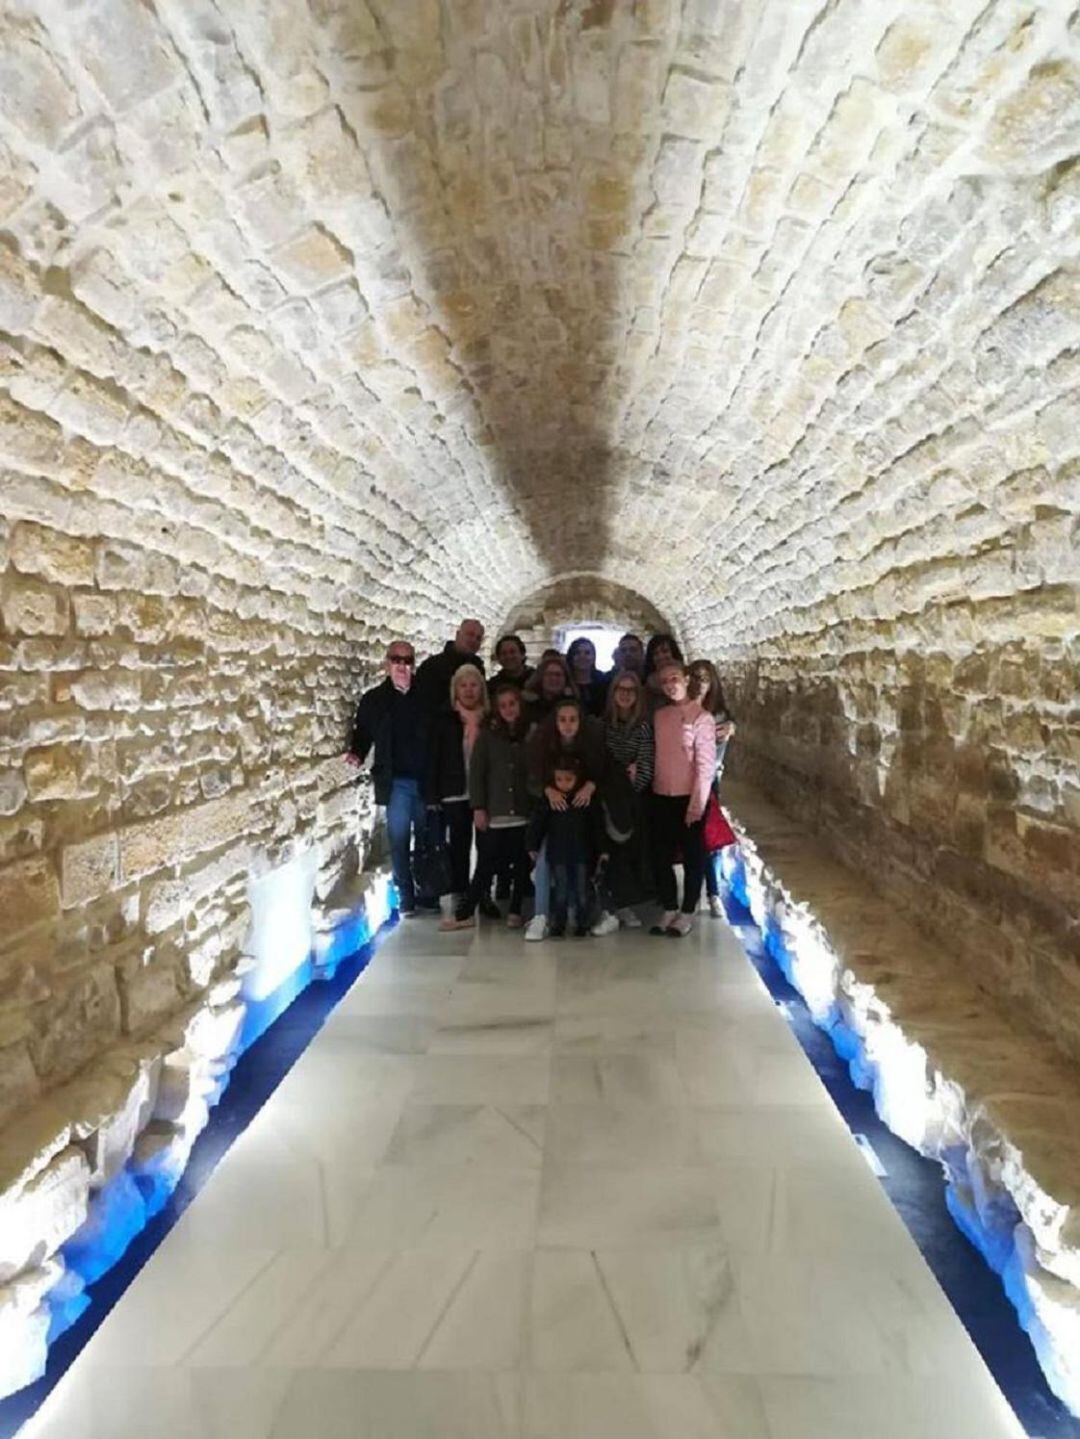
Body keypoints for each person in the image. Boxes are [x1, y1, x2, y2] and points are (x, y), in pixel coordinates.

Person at [346, 640, 430, 917]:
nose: (402, 666)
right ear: (387, 663)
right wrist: (357, 753)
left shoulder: (428, 694)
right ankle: (406, 896)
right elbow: (363, 732)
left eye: (407, 660)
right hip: (396, 782)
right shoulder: (374, 700)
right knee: (399, 839)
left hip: (426, 778)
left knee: (428, 838)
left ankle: (427, 891)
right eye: (397, 660)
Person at [442, 684, 532, 930]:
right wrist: (479, 807)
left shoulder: (530, 735)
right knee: (487, 864)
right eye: (503, 706)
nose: (508, 710)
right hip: (497, 811)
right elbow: (477, 775)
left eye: (512, 704)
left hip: (523, 811)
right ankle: (465, 912)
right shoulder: (488, 737)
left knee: (522, 863)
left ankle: (515, 910)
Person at [524, 697, 605, 941]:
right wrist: (548, 790)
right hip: (553, 819)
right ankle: (542, 916)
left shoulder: (590, 746)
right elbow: (534, 780)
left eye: (573, 720)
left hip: (580, 822)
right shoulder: (543, 745)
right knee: (546, 866)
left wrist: (591, 785)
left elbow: (601, 773)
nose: (568, 725)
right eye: (562, 720)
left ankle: (580, 916)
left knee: (580, 878)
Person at [650, 662, 716, 937]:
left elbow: (705, 765)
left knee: (693, 857)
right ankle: (668, 905)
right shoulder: (660, 715)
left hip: (688, 797)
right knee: (660, 855)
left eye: (674, 678)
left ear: (686, 680)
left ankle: (688, 910)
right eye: (665, 680)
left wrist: (697, 805)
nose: (670, 684)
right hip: (661, 794)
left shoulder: (702, 718)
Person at [591, 671, 655, 935]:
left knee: (627, 854)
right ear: (613, 693)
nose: (626, 694)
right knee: (607, 854)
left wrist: (627, 785)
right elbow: (599, 761)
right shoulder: (603, 725)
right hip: (604, 798)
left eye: (631, 690)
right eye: (621, 689)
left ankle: (623, 905)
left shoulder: (643, 728)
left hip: (630, 802)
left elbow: (645, 767)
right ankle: (609, 907)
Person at [425, 663, 490, 918]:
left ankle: (482, 892)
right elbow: (433, 757)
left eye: (474, 685)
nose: (469, 690)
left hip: (484, 791)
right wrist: (432, 795)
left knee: (486, 846)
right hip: (454, 790)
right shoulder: (444, 718)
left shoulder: (489, 718)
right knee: (459, 846)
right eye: (463, 685)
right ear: (455, 689)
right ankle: (461, 892)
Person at [689, 659, 737, 918]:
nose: (699, 684)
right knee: (693, 838)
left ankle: (713, 892)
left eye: (705, 678)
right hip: (685, 780)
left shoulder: (718, 716)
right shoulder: (681, 710)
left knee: (709, 837)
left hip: (708, 781)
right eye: (695, 677)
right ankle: (697, 891)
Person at [414, 618, 485, 712]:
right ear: (458, 635)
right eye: (470, 634)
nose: (474, 640)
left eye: (478, 638)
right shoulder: (431, 667)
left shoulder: (478, 668)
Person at [522, 653, 578, 726]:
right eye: (549, 674)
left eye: (558, 675)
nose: (553, 678)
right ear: (540, 678)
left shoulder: (575, 704)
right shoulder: (526, 705)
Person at [566, 636, 610, 718]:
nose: (582, 656)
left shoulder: (604, 682)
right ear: (571, 657)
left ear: (594, 657)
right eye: (577, 653)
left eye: (587, 653)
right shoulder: (564, 682)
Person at [643, 633, 685, 711]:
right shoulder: (648, 687)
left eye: (665, 651)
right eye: (656, 654)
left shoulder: (687, 675)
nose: (661, 656)